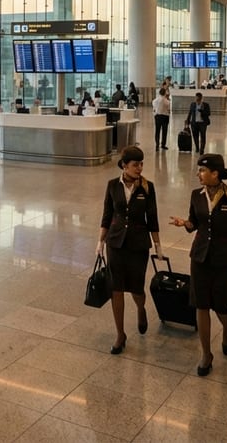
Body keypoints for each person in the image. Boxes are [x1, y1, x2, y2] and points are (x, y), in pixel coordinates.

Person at [168, 154, 227, 377]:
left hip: (225, 260)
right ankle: (206, 354)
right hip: (200, 258)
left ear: (215, 173)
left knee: (222, 308)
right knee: (201, 305)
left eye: (202, 171)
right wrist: (184, 223)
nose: (198, 174)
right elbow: (194, 223)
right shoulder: (196, 195)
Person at [97, 146, 161, 355]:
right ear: (124, 166)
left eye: (141, 164)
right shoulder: (112, 186)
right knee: (116, 288)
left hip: (138, 244)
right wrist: (100, 242)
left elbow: (152, 219)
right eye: (135, 165)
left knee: (136, 288)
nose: (139, 168)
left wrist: (158, 245)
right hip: (115, 243)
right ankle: (120, 334)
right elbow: (107, 215)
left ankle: (141, 309)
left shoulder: (147, 188)